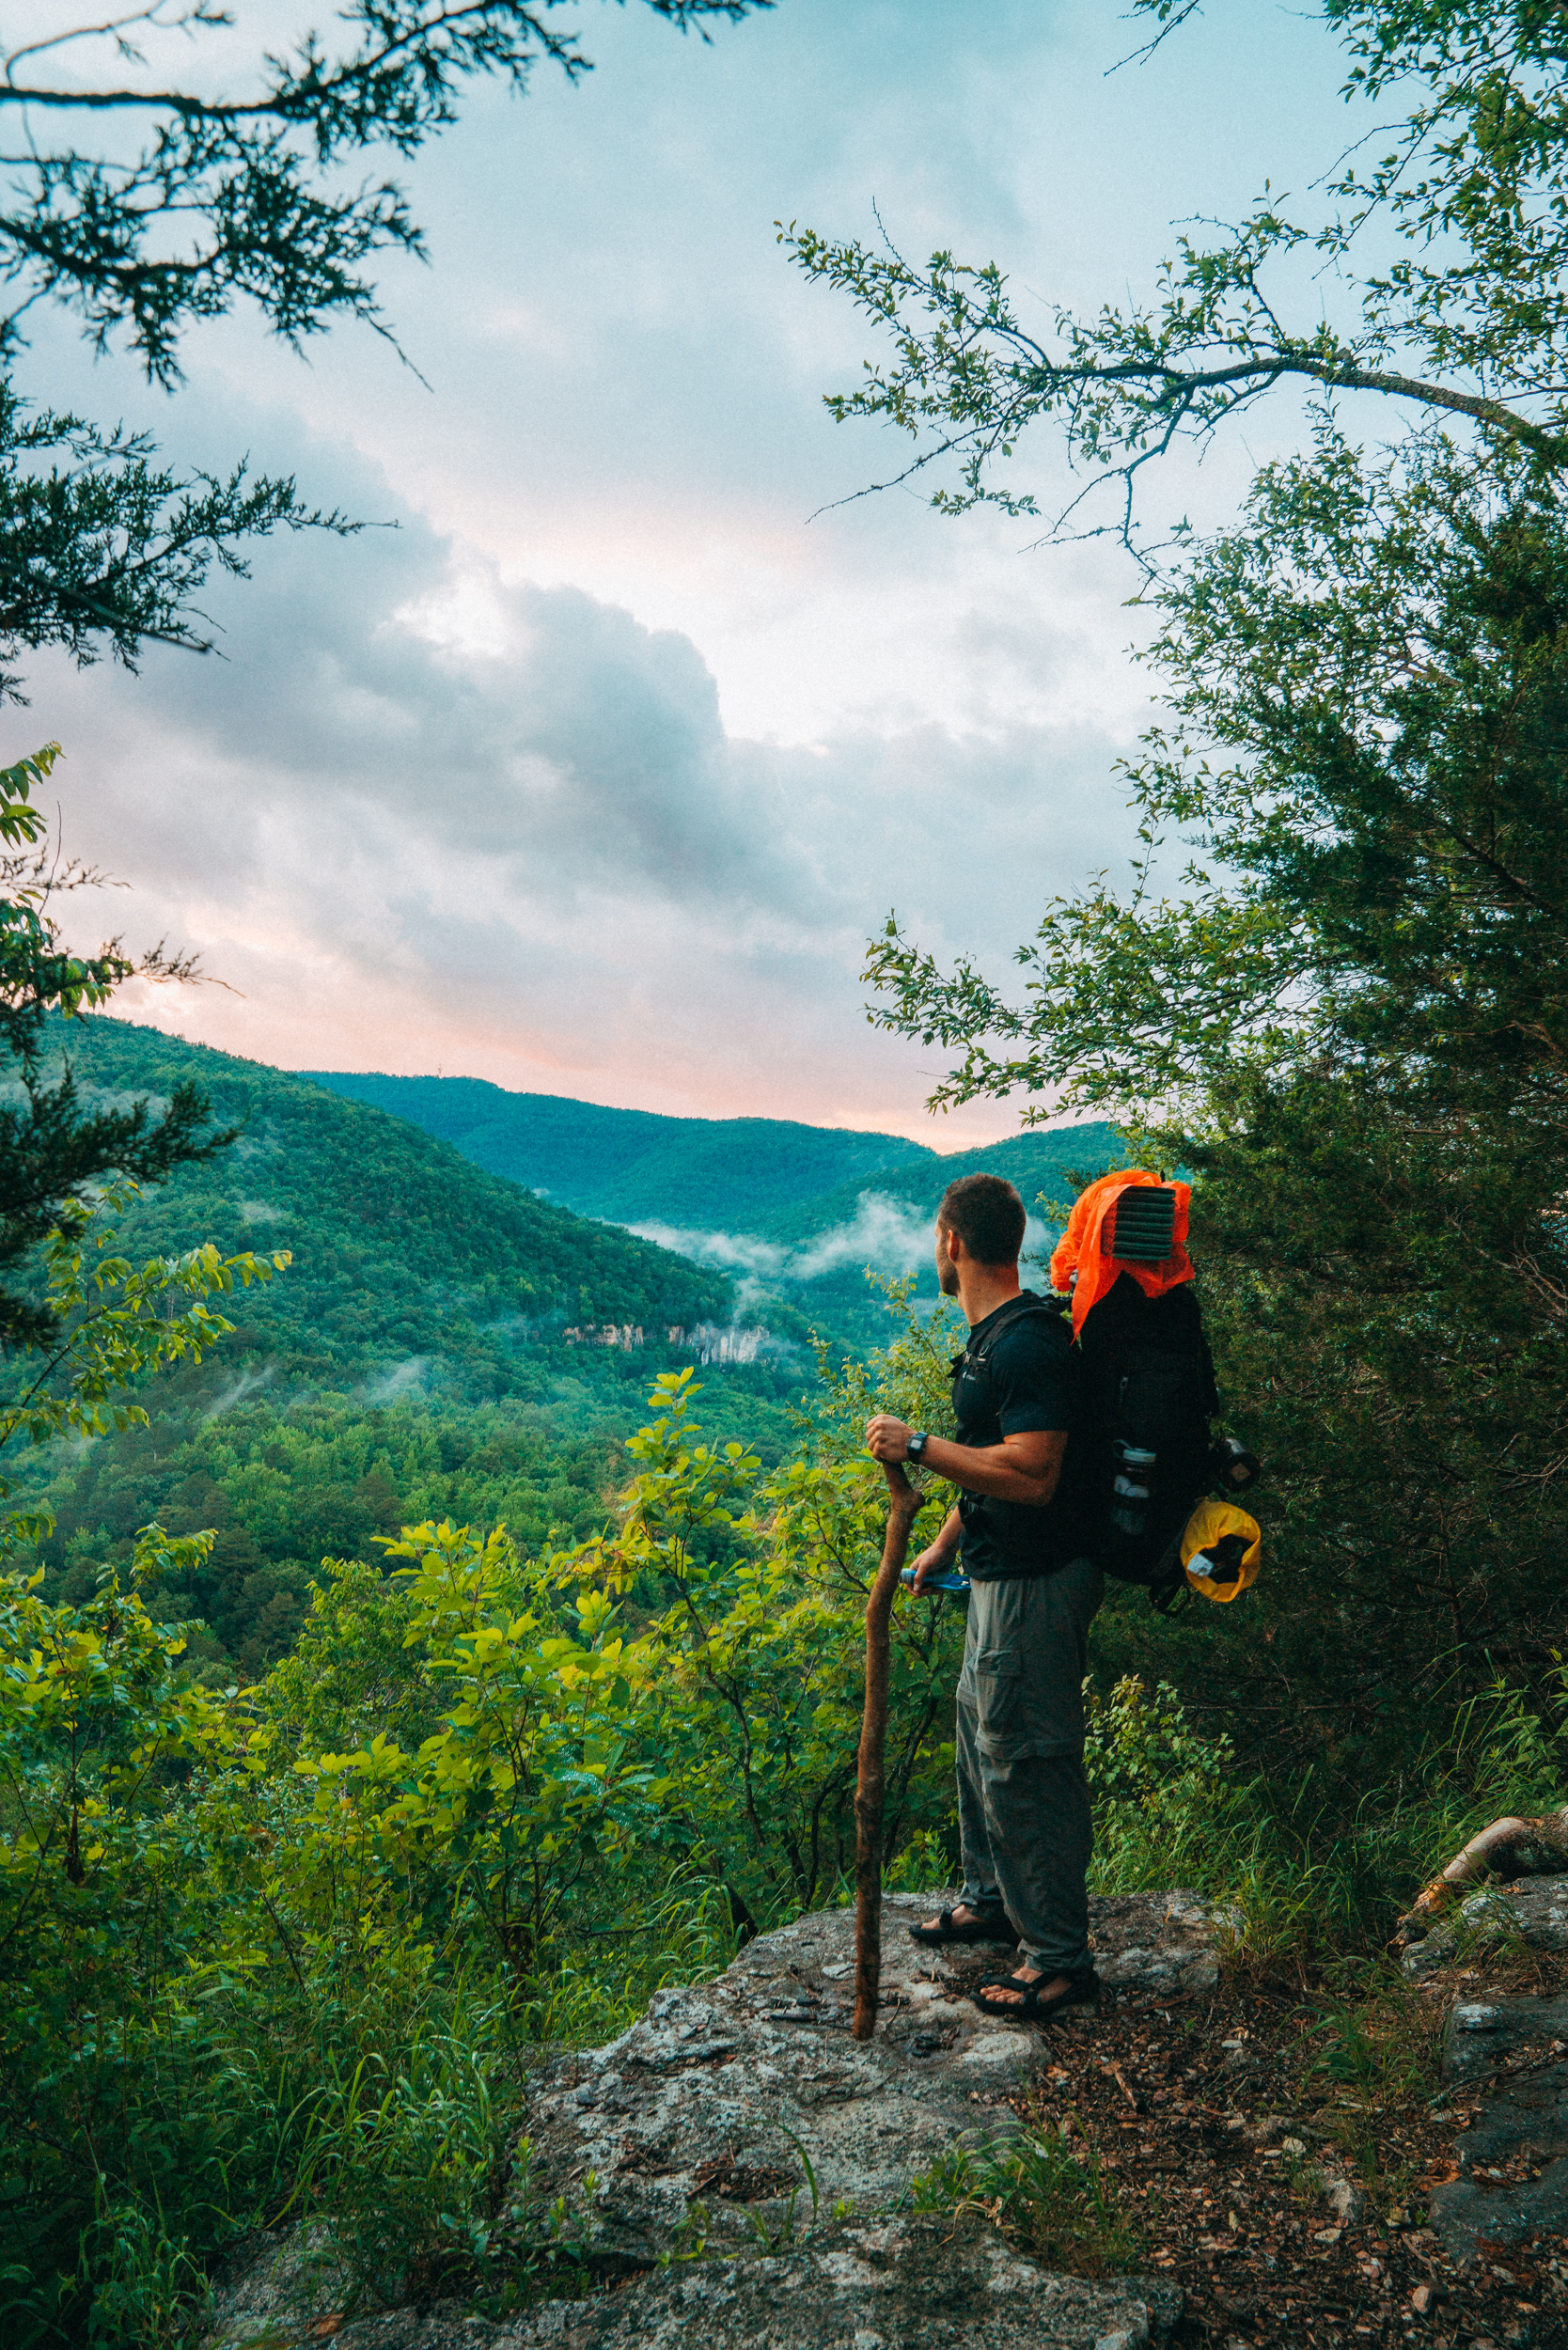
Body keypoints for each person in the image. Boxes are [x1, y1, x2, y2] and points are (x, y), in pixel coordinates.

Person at [865, 1171, 1102, 2022]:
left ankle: (1056, 1957)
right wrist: (940, 1544)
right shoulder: (992, 1340)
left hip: (1038, 1583)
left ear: (952, 1241)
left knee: (1023, 1759)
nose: (935, 1249)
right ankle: (992, 1900)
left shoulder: (1027, 1342)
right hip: (999, 1575)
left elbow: (1033, 1474)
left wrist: (918, 1444)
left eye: (936, 1237)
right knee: (980, 1738)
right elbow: (991, 1466)